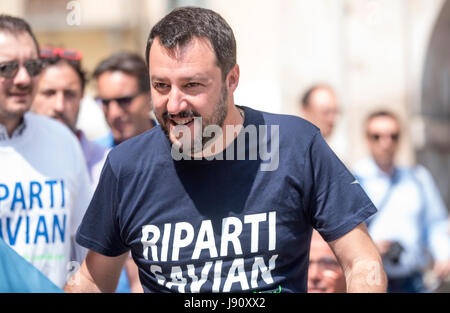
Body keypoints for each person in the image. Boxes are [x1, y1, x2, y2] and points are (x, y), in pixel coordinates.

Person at [65, 6, 386, 293]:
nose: (174, 104)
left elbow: (362, 263)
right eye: (161, 86)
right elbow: (92, 281)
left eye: (192, 85)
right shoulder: (127, 166)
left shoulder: (295, 145)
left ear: (231, 79)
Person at [0, 15, 91, 288]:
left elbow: (85, 244)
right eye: (6, 68)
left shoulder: (62, 140)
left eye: (32, 65)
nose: (24, 79)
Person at [353, 110, 450, 292]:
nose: (386, 143)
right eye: (377, 136)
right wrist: (370, 247)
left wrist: (443, 254)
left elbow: (435, 222)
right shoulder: (354, 180)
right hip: (371, 277)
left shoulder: (417, 178)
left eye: (393, 136)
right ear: (367, 139)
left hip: (413, 278)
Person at [31, 46, 109, 191]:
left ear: (82, 96)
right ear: (31, 95)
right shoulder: (11, 160)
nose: (59, 106)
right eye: (49, 93)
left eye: (69, 94)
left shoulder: (108, 165)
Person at [93, 52, 156, 149]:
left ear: (150, 98)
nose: (113, 113)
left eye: (124, 101)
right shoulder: (93, 157)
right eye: (105, 102)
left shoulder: (178, 150)